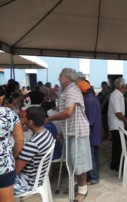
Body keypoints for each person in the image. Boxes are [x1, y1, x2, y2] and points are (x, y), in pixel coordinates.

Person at [45, 68, 92, 201]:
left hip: (77, 131)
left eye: (61, 75)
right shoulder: (67, 90)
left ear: (67, 77)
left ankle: (83, 189)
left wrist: (50, 119)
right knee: (73, 161)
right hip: (71, 130)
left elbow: (68, 112)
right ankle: (78, 184)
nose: (58, 77)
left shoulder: (71, 90)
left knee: (79, 161)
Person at [14, 106, 54, 195]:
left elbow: (15, 171)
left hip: (26, 183)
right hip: (38, 178)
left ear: (30, 122)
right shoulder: (47, 133)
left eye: (24, 118)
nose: (22, 120)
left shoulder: (32, 144)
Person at [76, 77, 102, 185]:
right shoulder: (92, 98)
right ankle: (95, 175)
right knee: (94, 155)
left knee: (90, 155)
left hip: (92, 132)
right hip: (96, 131)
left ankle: (94, 177)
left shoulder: (89, 100)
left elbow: (89, 120)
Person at [0, 86, 24, 202]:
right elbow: (19, 141)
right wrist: (12, 157)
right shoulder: (9, 114)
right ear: (2, 97)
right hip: (4, 165)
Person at [108, 78, 127, 171]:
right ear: (122, 86)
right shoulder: (115, 95)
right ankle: (115, 164)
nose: (126, 87)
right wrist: (125, 120)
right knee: (117, 146)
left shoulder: (119, 95)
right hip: (116, 124)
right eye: (125, 85)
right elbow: (118, 113)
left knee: (118, 145)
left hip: (118, 124)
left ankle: (116, 163)